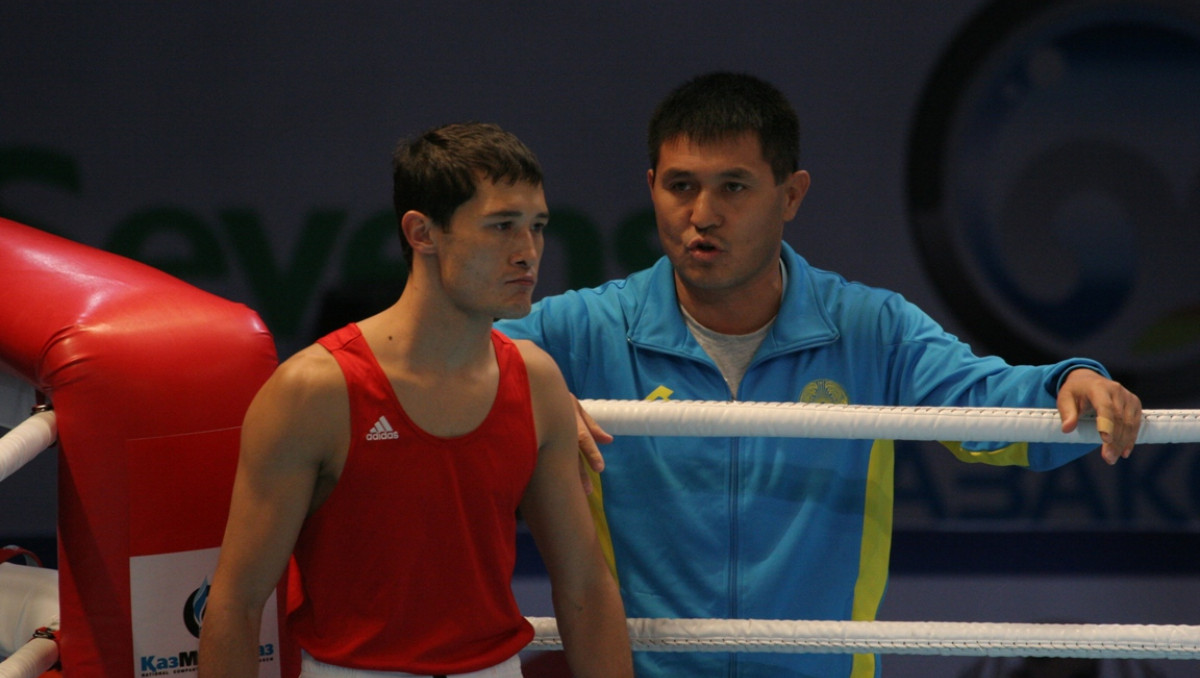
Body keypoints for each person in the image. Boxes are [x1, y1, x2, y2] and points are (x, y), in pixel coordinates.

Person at [494, 72, 1143, 677]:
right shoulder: (586, 328)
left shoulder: (871, 327)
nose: (704, 213)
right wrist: (530, 383)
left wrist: (1068, 381)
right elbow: (451, 358)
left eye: (734, 187)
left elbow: (988, 408)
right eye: (681, 185)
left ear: (792, 195)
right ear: (652, 188)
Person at [199, 122, 633, 678]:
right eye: (501, 226)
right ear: (422, 232)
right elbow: (236, 603)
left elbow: (585, 589)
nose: (528, 253)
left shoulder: (537, 382)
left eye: (538, 227)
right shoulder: (314, 391)